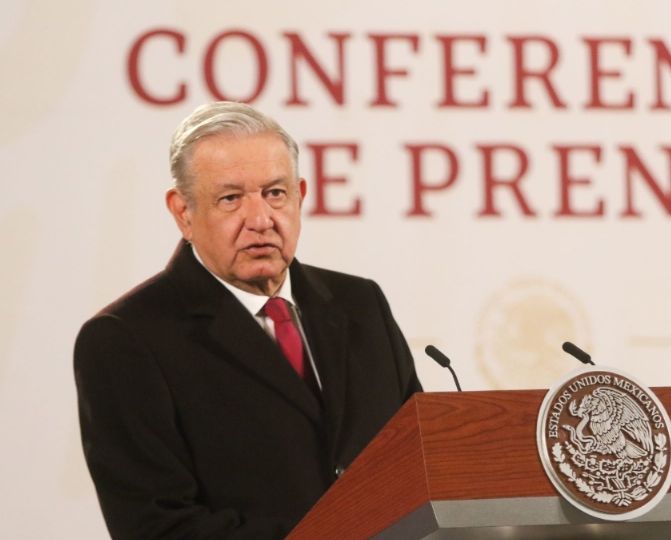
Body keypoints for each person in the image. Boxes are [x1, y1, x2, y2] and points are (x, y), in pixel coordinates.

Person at [74, 102, 422, 539]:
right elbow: (156, 526)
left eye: (275, 193)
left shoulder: (360, 304)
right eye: (231, 198)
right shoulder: (126, 339)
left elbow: (418, 462)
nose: (259, 220)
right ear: (183, 212)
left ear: (301, 195)